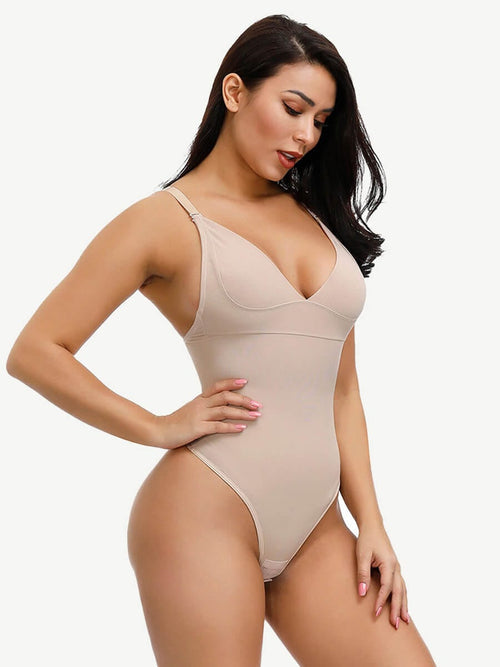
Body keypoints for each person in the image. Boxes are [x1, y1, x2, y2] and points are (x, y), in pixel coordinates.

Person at [6, 13, 436, 667]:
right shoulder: (163, 221)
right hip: (204, 512)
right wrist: (155, 425)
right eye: (293, 108)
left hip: (318, 526)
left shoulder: (316, 218)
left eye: (321, 120)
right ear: (235, 92)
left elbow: (342, 391)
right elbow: (36, 350)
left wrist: (371, 522)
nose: (306, 134)